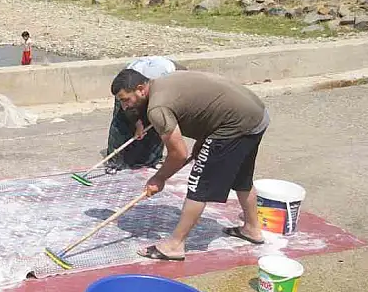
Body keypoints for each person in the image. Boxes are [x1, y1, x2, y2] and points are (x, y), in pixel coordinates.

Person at [112, 69, 270, 261]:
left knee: (198, 183)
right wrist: (203, 142)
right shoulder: (164, 82)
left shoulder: (157, 108)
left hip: (235, 124)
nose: (125, 106)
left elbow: (178, 154)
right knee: (241, 177)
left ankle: (175, 245)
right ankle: (252, 228)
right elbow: (206, 107)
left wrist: (159, 178)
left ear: (140, 89)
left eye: (126, 99)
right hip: (256, 115)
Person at [104, 57, 183, 172]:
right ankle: (115, 162)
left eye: (124, 100)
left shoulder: (176, 77)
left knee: (158, 120)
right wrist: (137, 123)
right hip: (131, 87)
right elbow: (127, 107)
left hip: (157, 91)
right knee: (122, 119)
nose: (124, 104)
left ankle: (152, 160)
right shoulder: (127, 87)